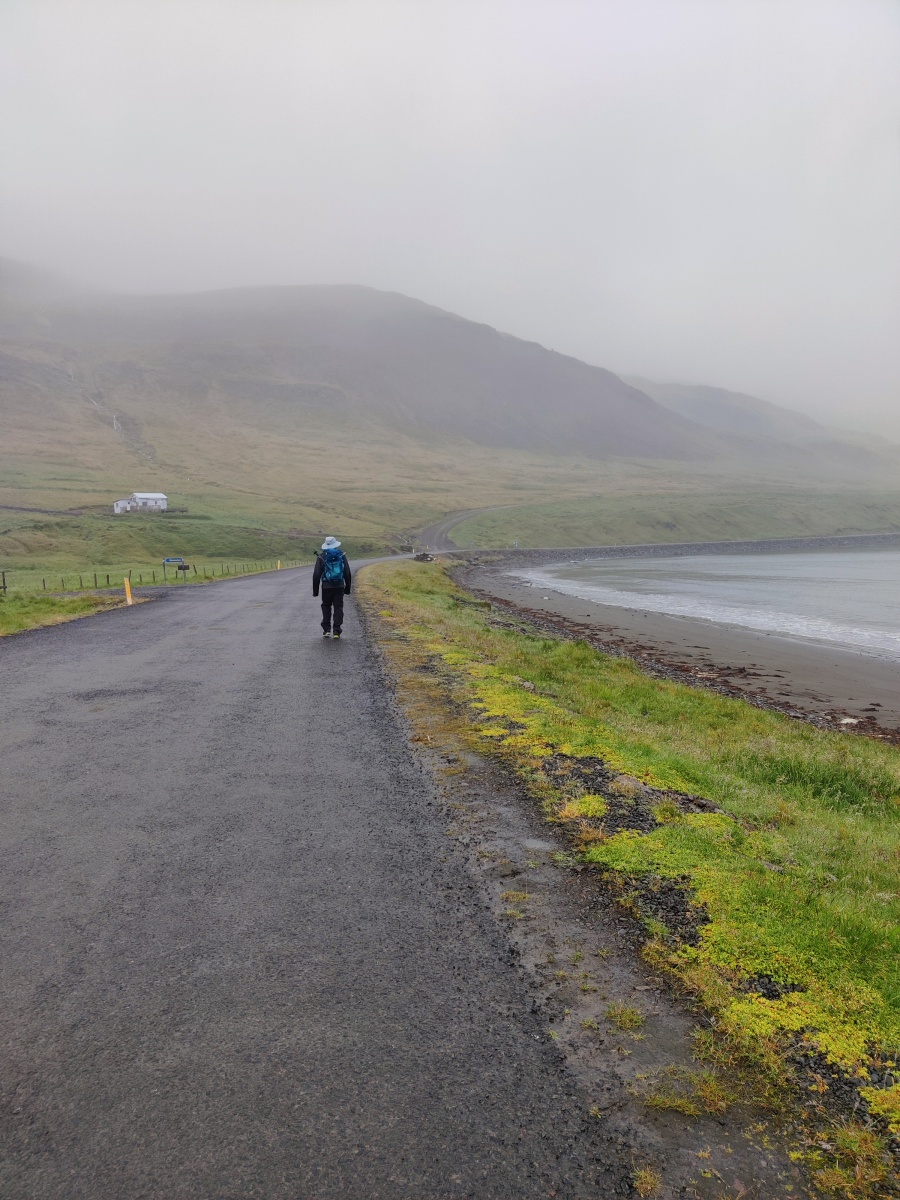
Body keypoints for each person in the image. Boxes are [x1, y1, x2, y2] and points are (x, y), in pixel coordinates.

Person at [313, 536, 352, 639]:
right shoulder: (341, 555)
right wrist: (347, 588)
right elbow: (347, 572)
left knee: (326, 606)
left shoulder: (321, 556)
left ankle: (326, 630)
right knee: (338, 607)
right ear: (336, 544)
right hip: (339, 586)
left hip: (326, 586)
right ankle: (336, 631)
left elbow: (316, 574)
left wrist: (315, 591)